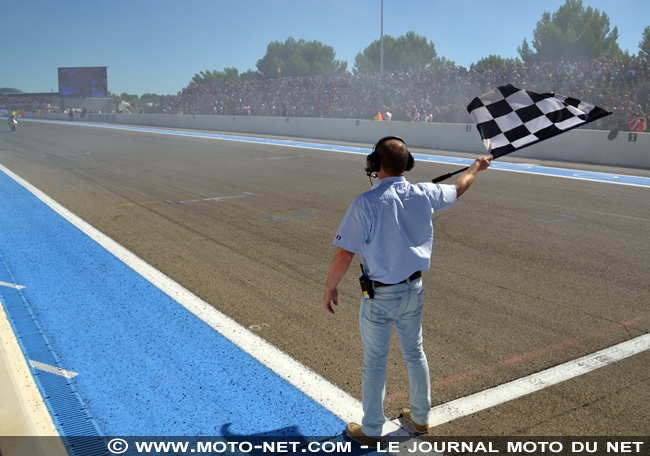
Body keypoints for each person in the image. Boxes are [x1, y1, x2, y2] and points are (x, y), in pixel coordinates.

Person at [323, 136, 492, 445]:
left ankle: (372, 429)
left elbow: (345, 252)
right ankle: (420, 418)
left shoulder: (366, 203)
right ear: (408, 163)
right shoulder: (425, 194)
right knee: (415, 352)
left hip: (380, 296)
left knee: (375, 360)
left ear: (374, 165)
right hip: (414, 290)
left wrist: (330, 286)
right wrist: (476, 167)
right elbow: (459, 187)